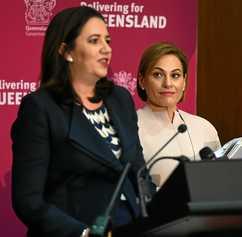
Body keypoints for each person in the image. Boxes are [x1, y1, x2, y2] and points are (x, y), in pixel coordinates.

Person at [11, 6, 154, 237]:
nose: (106, 49)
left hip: (130, 226)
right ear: (67, 51)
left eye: (107, 40)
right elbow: (28, 201)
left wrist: (158, 214)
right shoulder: (40, 108)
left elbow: (137, 169)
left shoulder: (120, 99)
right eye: (94, 41)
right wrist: (84, 233)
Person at [136, 42, 221, 187]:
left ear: (184, 82)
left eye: (175, 75)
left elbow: (219, 179)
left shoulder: (204, 127)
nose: (168, 83)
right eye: (158, 75)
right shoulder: (130, 127)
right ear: (142, 80)